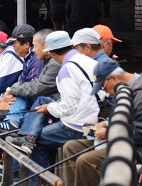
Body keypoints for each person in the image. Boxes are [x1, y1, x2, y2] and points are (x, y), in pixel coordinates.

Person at [7, 30, 99, 167]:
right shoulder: (86, 60)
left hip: (82, 126)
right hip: (91, 115)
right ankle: (28, 138)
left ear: (52, 53)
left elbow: (69, 107)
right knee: (42, 101)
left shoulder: (66, 69)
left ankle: (40, 185)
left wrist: (49, 108)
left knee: (40, 139)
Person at [0, 28, 61, 133]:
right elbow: (25, 85)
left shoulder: (49, 62)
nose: (34, 49)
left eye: (35, 46)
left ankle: (14, 126)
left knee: (18, 113)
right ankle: (13, 123)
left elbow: (35, 88)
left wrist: (11, 90)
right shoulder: (41, 59)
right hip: (40, 101)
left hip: (51, 104)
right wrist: (8, 94)